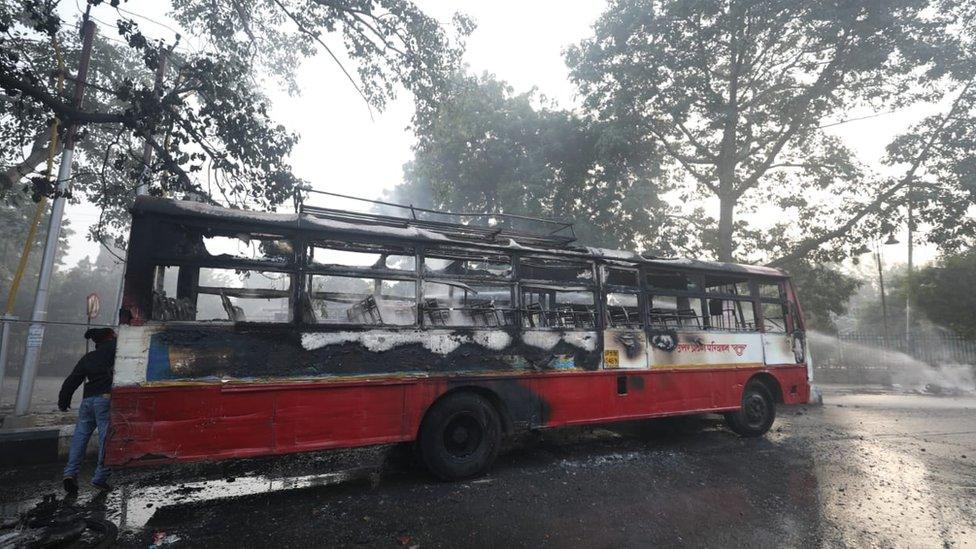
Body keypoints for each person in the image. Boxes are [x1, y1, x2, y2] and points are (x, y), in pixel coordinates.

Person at [59, 327, 116, 493]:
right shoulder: (115, 349)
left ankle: (70, 473)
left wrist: (64, 400)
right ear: (109, 338)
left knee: (80, 437)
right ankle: (100, 477)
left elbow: (72, 380)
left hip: (87, 401)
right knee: (106, 439)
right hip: (105, 400)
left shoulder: (88, 357)